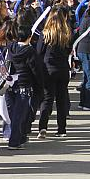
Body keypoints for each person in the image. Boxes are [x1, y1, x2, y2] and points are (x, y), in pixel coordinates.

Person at [5, 25, 44, 149]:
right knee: (20, 115)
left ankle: (19, 137)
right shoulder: (30, 52)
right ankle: (15, 141)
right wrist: (40, 85)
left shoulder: (11, 48)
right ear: (29, 37)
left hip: (9, 84)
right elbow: (36, 70)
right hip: (24, 85)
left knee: (12, 113)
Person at [36, 7, 72, 138]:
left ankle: (43, 127)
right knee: (62, 99)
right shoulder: (67, 34)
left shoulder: (45, 34)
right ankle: (62, 129)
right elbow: (69, 50)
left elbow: (39, 52)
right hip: (63, 68)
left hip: (48, 68)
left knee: (47, 99)